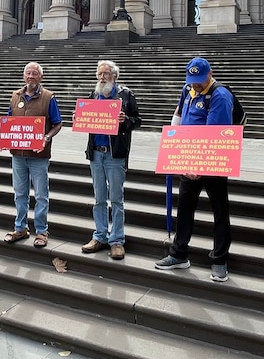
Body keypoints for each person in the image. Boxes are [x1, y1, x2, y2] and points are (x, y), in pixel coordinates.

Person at [154, 57, 233, 282]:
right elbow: (178, 116)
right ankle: (179, 254)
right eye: (192, 80)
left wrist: (200, 164)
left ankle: (220, 259)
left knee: (219, 210)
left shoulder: (219, 96)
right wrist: (173, 152)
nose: (195, 85)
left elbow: (214, 134)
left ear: (210, 74)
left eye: (199, 80)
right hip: (189, 158)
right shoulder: (187, 89)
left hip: (213, 160)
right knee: (185, 207)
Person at [81, 60, 141, 260]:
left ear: (115, 76)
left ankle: (117, 240)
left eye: (106, 73)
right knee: (99, 198)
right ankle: (99, 235)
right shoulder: (94, 94)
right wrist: (79, 117)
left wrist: (126, 121)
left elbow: (137, 120)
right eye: (99, 73)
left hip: (115, 155)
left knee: (116, 199)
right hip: (96, 153)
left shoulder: (125, 95)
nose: (102, 77)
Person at [2, 62, 63, 248]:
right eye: (28, 73)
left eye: (35, 74)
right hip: (18, 155)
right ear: (23, 76)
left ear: (41, 77)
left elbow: (58, 123)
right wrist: (5, 138)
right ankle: (20, 227)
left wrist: (46, 137)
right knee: (20, 193)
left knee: (41, 195)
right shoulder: (15, 96)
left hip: (39, 155)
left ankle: (42, 231)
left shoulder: (48, 97)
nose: (31, 76)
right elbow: (9, 121)